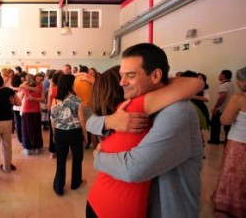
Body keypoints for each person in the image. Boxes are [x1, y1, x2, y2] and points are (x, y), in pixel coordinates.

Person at [86, 43, 203, 217]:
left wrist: (98, 157)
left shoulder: (177, 111)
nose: (122, 83)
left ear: (155, 75)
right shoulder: (133, 103)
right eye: (121, 76)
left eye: (130, 75)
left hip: (166, 210)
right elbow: (92, 121)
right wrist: (109, 121)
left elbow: (134, 169)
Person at [212, 66, 246, 217]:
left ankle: (231, 206)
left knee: (234, 176)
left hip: (239, 143)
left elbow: (225, 120)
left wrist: (220, 114)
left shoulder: (239, 98)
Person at [50, 74, 87, 196]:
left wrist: (54, 134)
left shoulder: (55, 99)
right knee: (77, 158)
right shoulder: (77, 100)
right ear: (71, 84)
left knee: (61, 160)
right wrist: (85, 133)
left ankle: (58, 187)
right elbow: (82, 119)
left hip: (60, 132)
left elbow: (52, 119)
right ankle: (76, 183)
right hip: (75, 132)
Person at [209, 69, 235, 144]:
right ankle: (227, 141)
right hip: (227, 109)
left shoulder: (224, 85)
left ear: (223, 75)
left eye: (220, 74)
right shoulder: (230, 84)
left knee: (215, 125)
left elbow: (222, 97)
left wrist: (215, 107)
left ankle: (214, 140)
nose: (219, 75)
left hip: (220, 109)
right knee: (227, 126)